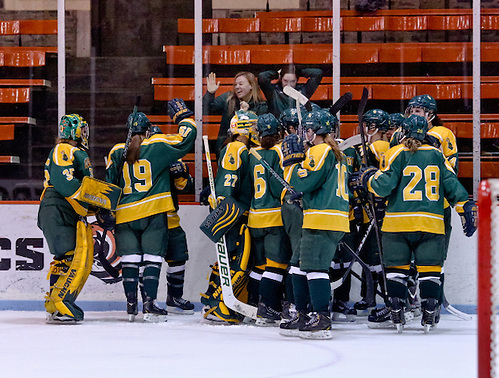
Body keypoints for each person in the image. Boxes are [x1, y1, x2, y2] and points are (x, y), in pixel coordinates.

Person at [353, 114, 477, 332]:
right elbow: (452, 186)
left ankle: (397, 308)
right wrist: (464, 207)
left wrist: (368, 178)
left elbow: (383, 186)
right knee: (430, 270)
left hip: (397, 226)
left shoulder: (396, 153)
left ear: (404, 132)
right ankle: (429, 309)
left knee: (396, 271)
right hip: (431, 225)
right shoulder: (437, 155)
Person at [106, 99, 197, 322]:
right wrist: (184, 118)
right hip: (153, 212)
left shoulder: (116, 151)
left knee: (130, 258)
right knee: (152, 259)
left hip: (125, 214)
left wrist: (106, 211)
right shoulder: (156, 145)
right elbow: (187, 138)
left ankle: (130, 306)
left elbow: (109, 185)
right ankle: (149, 304)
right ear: (148, 131)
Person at [280, 109, 350, 339]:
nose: (306, 133)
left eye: (309, 129)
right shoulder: (336, 153)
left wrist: (291, 165)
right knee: (300, 266)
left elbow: (307, 180)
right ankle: (303, 313)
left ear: (319, 131)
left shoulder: (320, 150)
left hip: (323, 219)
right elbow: (321, 184)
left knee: (315, 268)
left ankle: (321, 317)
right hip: (328, 217)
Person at [39, 114, 108, 323]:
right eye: (82, 130)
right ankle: (61, 304)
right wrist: (96, 206)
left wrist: (97, 208)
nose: (85, 134)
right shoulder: (64, 149)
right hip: (58, 207)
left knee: (64, 258)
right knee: (71, 258)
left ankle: (54, 303)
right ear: (74, 131)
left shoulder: (73, 151)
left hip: (62, 208)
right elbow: (67, 184)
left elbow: (80, 189)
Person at [200, 110, 257, 324]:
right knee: (237, 261)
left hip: (233, 211)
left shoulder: (241, 148)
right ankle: (221, 304)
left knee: (229, 258)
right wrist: (224, 206)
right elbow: (227, 182)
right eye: (254, 127)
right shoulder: (236, 147)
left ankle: (213, 298)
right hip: (233, 213)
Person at [405, 94, 457, 311]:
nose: (412, 114)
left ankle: (433, 302)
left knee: (433, 258)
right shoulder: (404, 133)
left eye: (417, 111)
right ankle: (409, 302)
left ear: (430, 114)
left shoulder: (442, 134)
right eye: (411, 110)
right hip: (408, 206)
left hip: (437, 206)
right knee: (403, 259)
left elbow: (451, 167)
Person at [139, 126, 195, 315]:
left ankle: (174, 297)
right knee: (147, 261)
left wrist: (182, 174)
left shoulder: (172, 159)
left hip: (170, 218)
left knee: (178, 256)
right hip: (147, 218)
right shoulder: (137, 160)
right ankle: (147, 300)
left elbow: (186, 187)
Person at [247, 113, 289, 326]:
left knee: (259, 265)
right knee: (276, 265)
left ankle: (253, 304)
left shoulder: (251, 153)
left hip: (255, 219)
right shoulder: (278, 152)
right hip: (274, 218)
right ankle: (268, 308)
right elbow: (277, 185)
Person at [203, 71, 267, 156]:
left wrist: (246, 114)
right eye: (235, 84)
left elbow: (259, 131)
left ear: (251, 85)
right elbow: (205, 109)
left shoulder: (261, 106)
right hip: (226, 150)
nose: (237, 87)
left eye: (240, 84)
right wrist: (210, 93)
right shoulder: (228, 98)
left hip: (251, 153)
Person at [258, 65, 323, 118]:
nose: (289, 85)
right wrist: (277, 74)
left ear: (297, 80)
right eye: (285, 81)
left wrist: (298, 71)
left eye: (292, 81)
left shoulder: (302, 92)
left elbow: (318, 73)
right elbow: (262, 77)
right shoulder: (274, 92)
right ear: (281, 79)